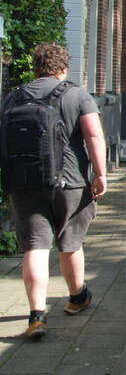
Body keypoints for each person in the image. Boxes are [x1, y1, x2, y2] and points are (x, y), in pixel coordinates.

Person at [3, 44, 106, 340]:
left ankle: (36, 316)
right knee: (70, 242)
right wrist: (100, 175)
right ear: (64, 68)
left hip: (24, 182)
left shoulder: (13, 96)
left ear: (35, 67)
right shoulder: (76, 94)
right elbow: (93, 135)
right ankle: (77, 297)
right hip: (70, 182)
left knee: (35, 247)